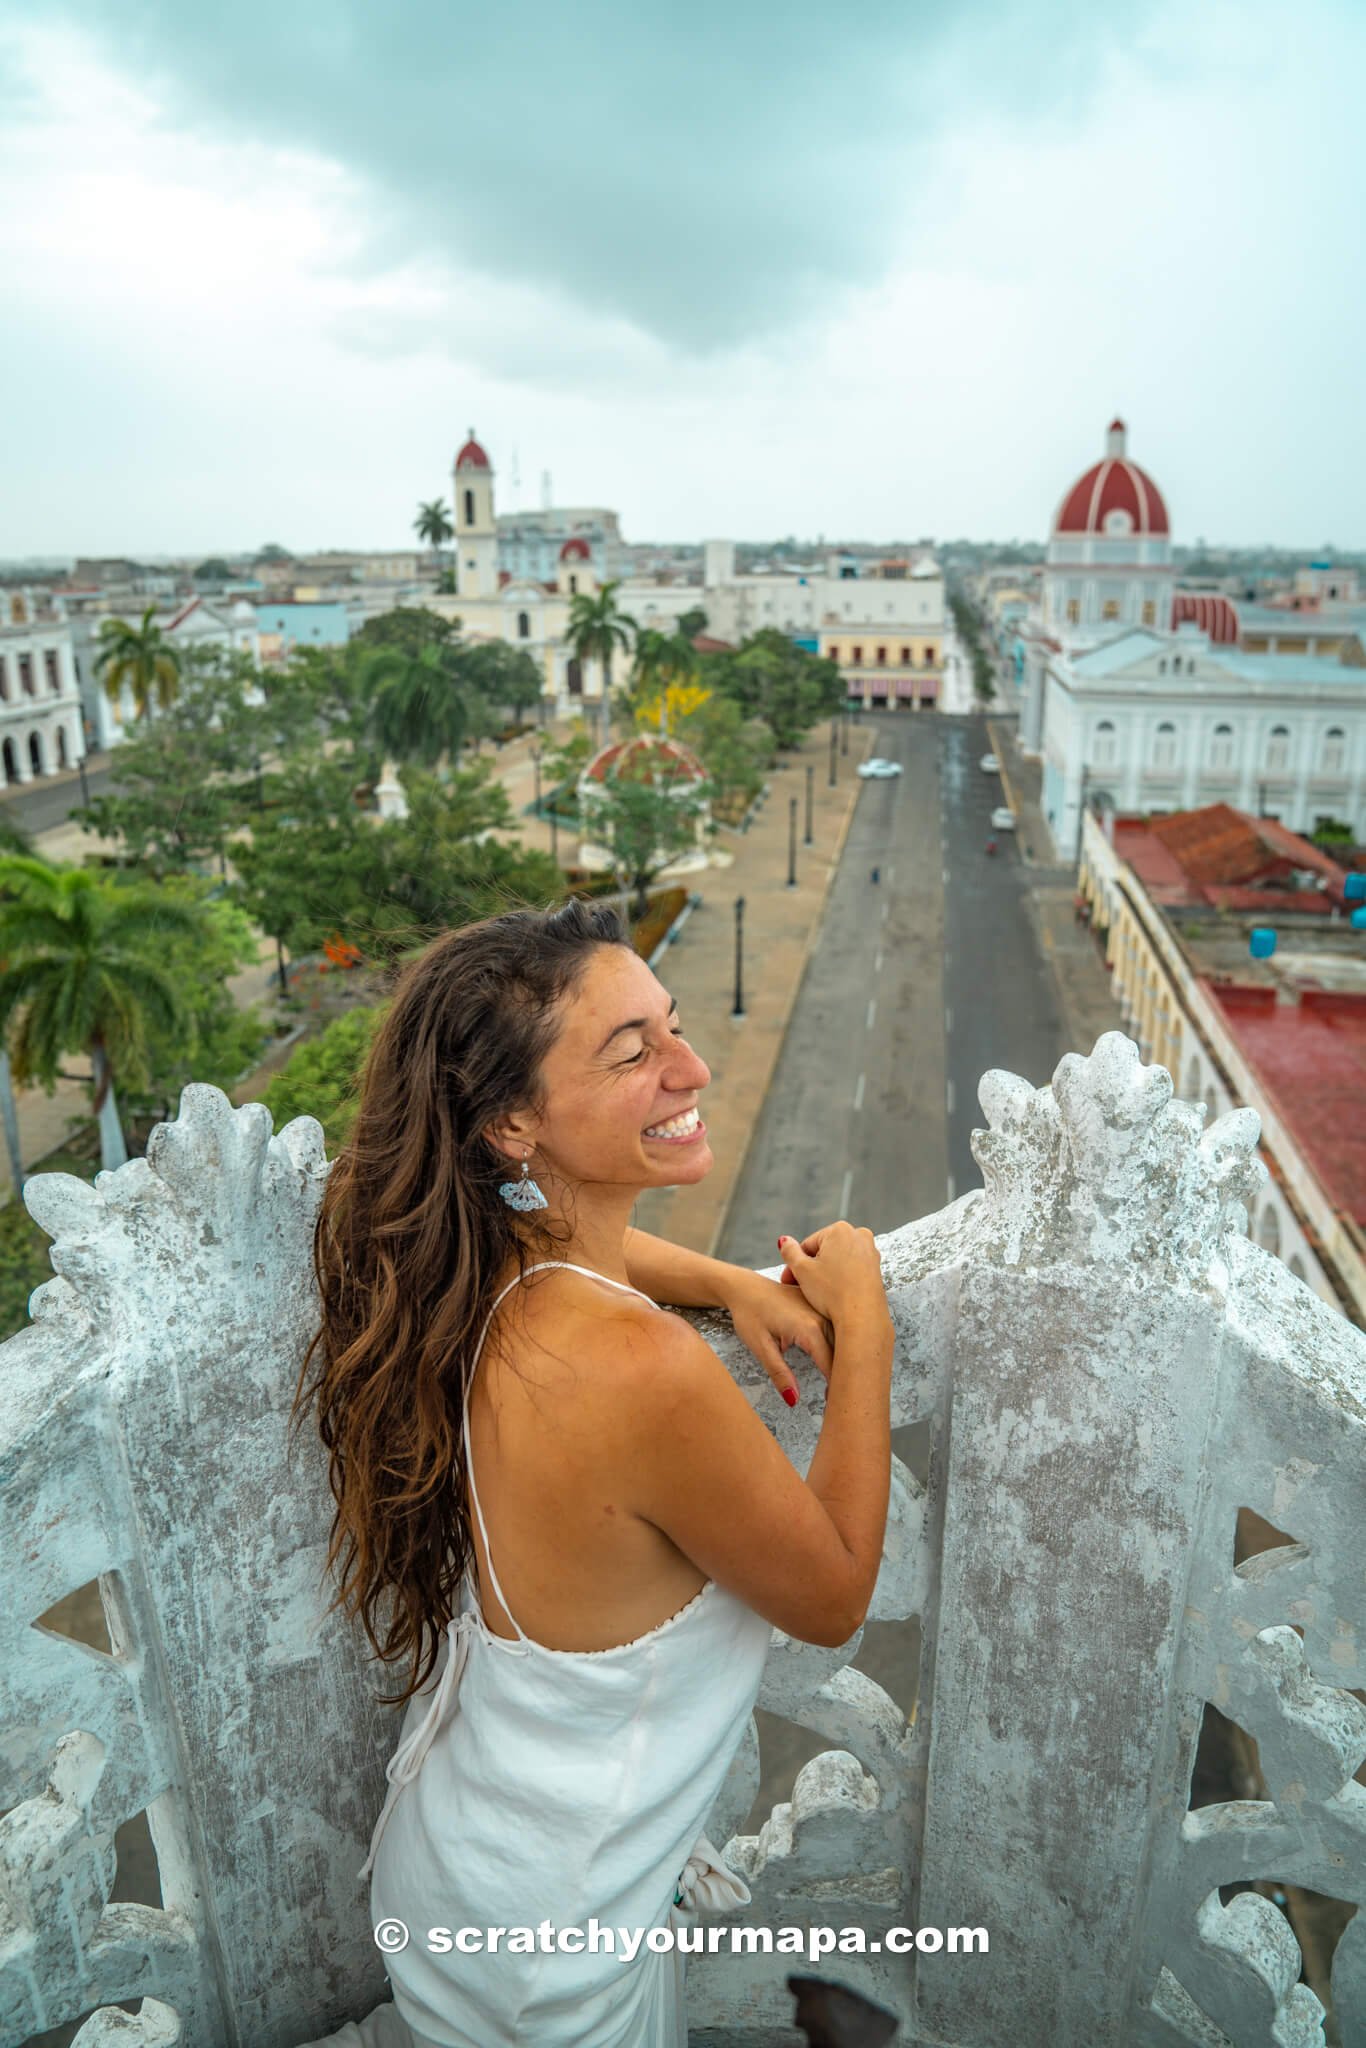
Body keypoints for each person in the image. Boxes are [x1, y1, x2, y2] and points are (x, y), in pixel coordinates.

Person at [294, 897, 894, 2048]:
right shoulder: (641, 1372)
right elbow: (831, 1597)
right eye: (634, 1052)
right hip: (550, 1945)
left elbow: (576, 1241)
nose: (691, 1064)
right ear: (514, 1121)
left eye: (669, 1024)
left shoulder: (474, 1271)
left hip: (471, 1854)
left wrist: (723, 1279)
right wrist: (861, 1329)